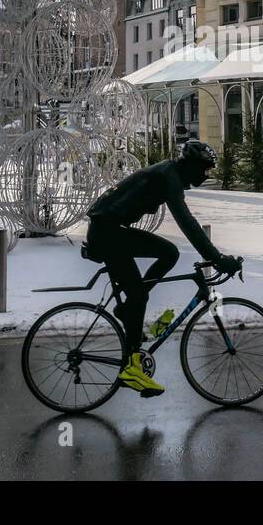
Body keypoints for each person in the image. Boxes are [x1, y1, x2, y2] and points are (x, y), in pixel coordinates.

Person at [84, 140, 239, 397]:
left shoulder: (169, 174)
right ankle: (132, 368)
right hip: (106, 233)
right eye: (205, 169)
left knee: (168, 253)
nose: (206, 174)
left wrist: (215, 257)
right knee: (138, 295)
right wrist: (217, 258)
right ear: (191, 165)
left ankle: (128, 309)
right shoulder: (169, 177)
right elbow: (187, 224)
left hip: (110, 229)